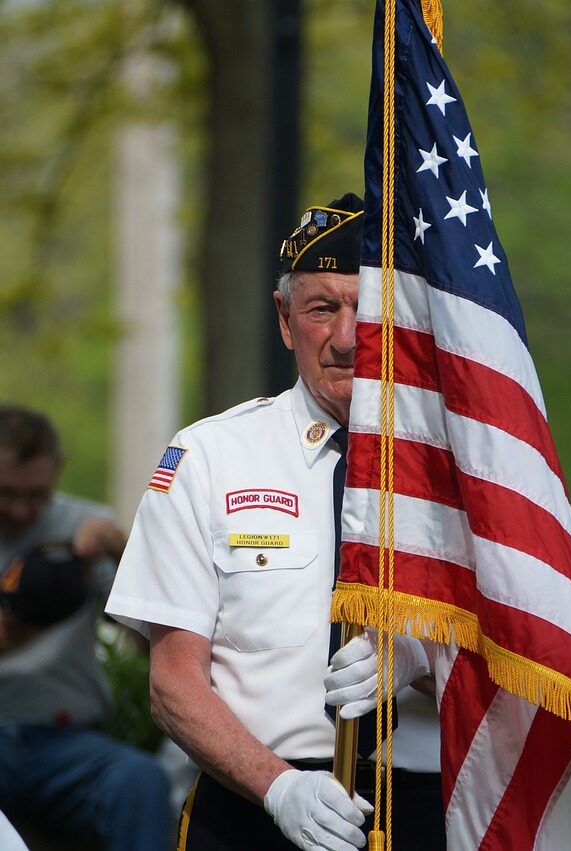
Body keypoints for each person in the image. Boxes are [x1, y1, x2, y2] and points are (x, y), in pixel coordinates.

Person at [105, 194, 446, 851]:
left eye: (368, 310)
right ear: (285, 319)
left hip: (426, 808)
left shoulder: (464, 474)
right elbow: (173, 682)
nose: (349, 338)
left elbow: (524, 657)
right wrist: (279, 787)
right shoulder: (210, 458)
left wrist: (421, 656)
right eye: (322, 308)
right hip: (252, 804)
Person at [0, 405, 173, 851]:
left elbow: (149, 643)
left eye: (35, 494)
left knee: (140, 780)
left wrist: (122, 550)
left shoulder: (84, 527)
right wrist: (30, 612)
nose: (21, 509)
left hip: (63, 743)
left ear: (58, 469)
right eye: (6, 493)